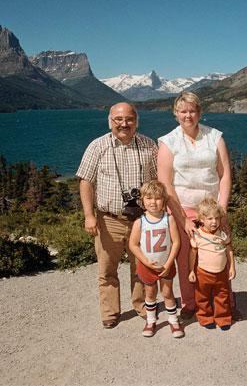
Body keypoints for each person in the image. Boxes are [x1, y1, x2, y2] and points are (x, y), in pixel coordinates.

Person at [77, 102, 156, 328]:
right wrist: (89, 215)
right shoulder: (98, 146)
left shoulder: (149, 145)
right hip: (108, 219)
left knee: (141, 266)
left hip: (142, 219)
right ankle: (110, 312)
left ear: (136, 121)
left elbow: (157, 182)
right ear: (110, 121)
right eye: (118, 119)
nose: (124, 124)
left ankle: (142, 305)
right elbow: (86, 182)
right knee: (107, 268)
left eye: (129, 119)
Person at [157, 91, 233, 319]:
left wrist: (222, 209)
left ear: (199, 112)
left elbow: (225, 174)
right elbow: (165, 183)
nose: (187, 115)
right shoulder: (168, 142)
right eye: (183, 111)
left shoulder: (215, 137)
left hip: (212, 209)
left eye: (192, 110)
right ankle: (191, 303)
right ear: (175, 113)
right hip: (183, 208)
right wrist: (183, 219)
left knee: (218, 253)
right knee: (186, 258)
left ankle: (224, 302)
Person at [128, 180, 184, 338]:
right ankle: (151, 320)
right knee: (150, 294)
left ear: (164, 200)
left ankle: (173, 321)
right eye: (149, 198)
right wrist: (144, 261)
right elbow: (133, 244)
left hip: (166, 264)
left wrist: (169, 262)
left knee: (167, 293)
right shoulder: (140, 221)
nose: (153, 202)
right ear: (142, 200)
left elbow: (176, 242)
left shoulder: (169, 219)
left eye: (158, 198)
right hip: (147, 266)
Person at [188, 198, 236, 330]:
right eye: (210, 219)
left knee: (222, 296)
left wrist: (232, 267)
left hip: (221, 272)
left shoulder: (223, 234)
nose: (214, 222)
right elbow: (192, 253)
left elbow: (229, 250)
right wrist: (191, 271)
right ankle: (205, 317)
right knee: (202, 297)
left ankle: (223, 318)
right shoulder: (197, 235)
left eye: (217, 218)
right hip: (203, 272)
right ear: (202, 219)